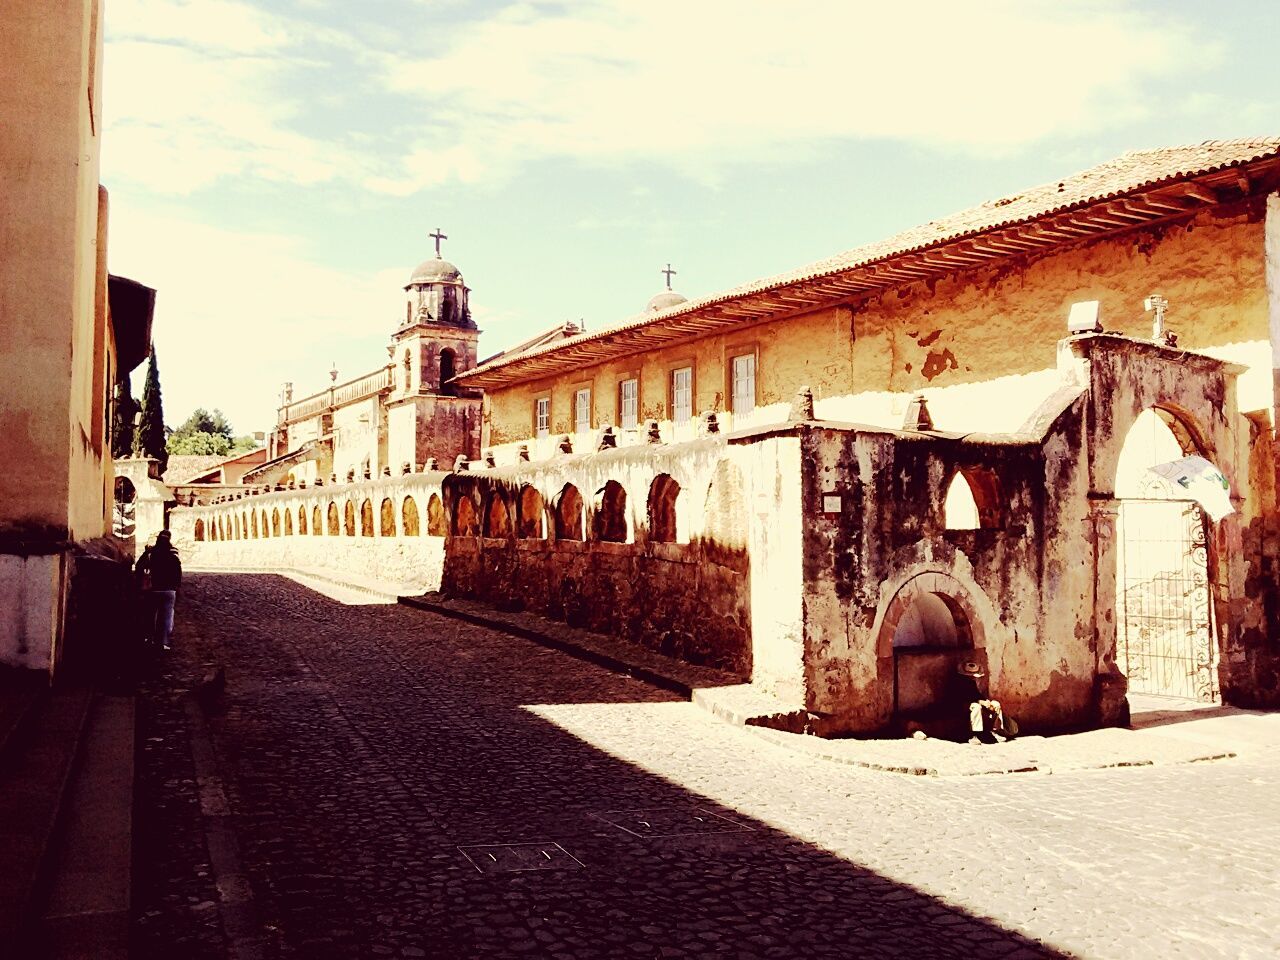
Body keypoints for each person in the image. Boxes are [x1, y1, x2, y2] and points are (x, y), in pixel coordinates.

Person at [136, 531, 182, 651]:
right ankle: (164, 642)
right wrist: (177, 587)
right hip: (169, 591)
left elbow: (139, 566)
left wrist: (146, 552)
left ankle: (149, 638)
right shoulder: (174, 554)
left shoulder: (152, 553)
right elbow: (178, 572)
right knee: (166, 617)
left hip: (153, 589)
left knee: (150, 615)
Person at [953, 658, 1016, 744]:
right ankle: (975, 734)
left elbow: (976, 695)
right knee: (976, 707)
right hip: (961, 705)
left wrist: (987, 702)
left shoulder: (971, 683)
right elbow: (963, 698)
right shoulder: (957, 682)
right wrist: (981, 702)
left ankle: (996, 730)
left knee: (995, 704)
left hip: (975, 702)